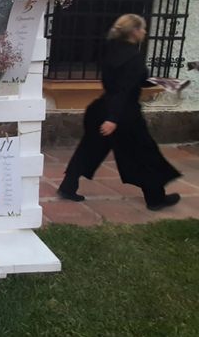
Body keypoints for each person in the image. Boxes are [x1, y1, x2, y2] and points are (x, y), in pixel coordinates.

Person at [57, 14, 181, 211]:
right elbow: (124, 89)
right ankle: (156, 199)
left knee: (89, 149)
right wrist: (113, 119)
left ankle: (67, 186)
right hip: (124, 115)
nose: (145, 32)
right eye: (142, 28)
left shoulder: (110, 50)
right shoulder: (133, 57)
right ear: (134, 32)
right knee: (145, 153)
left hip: (101, 108)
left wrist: (161, 82)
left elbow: (130, 81)